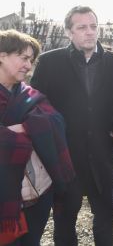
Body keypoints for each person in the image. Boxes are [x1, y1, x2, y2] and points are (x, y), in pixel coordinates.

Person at [30, 6, 113, 246]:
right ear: (69, 32)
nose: (90, 32)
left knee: (105, 222)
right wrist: (51, 143)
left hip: (103, 156)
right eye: (82, 27)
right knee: (65, 224)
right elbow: (35, 107)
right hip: (65, 158)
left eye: (94, 26)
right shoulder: (49, 62)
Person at [0, 30, 75, 245]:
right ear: (2, 55)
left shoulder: (29, 94)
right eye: (23, 58)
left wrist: (24, 127)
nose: (28, 65)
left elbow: (57, 121)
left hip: (37, 193)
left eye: (31, 60)